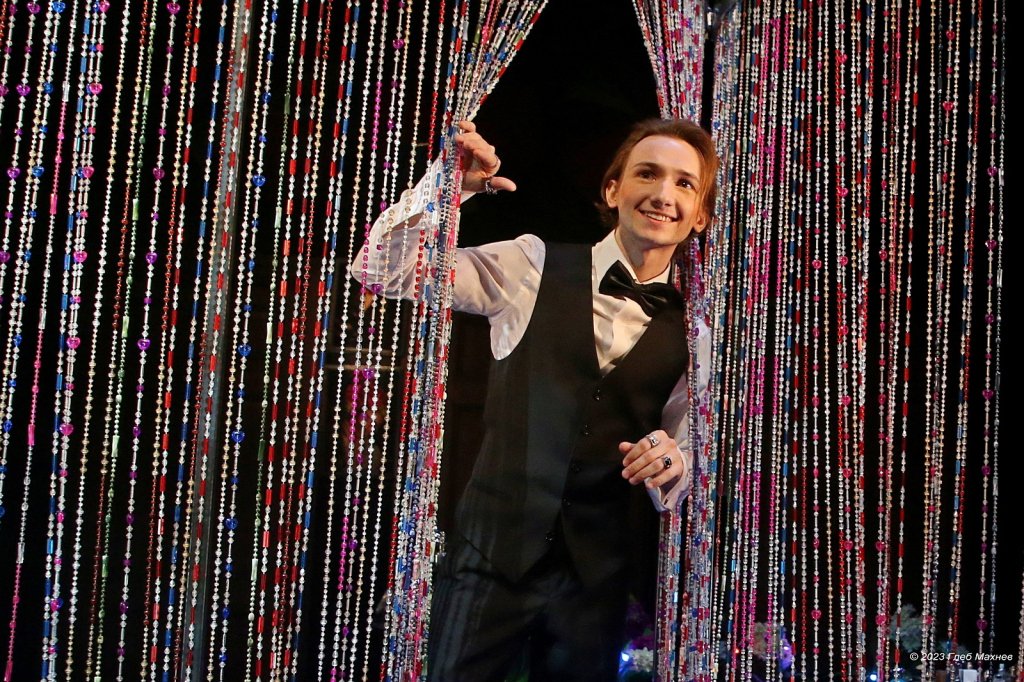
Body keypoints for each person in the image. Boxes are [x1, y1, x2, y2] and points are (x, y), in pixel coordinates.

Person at [354, 118, 718, 680]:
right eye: (647, 174)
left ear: (700, 216)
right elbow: (384, 271)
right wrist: (446, 190)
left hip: (595, 581)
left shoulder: (696, 334)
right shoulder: (530, 264)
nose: (663, 194)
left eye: (684, 183)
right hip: (489, 559)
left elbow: (690, 450)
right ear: (613, 189)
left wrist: (676, 461)